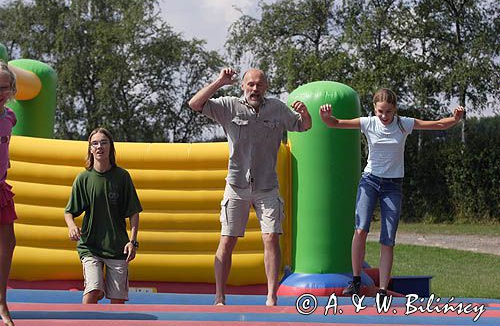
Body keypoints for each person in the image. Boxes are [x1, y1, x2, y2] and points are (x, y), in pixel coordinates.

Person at [319, 88, 464, 302]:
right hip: (370, 181)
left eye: (388, 112)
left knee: (388, 238)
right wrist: (326, 117)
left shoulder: (402, 124)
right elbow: (336, 123)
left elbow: (437, 125)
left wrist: (454, 118)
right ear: (374, 109)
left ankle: (383, 289)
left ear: (394, 109)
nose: (384, 116)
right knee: (360, 229)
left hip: (393, 186)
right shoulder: (369, 123)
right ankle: (356, 280)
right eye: (380, 112)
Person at [188, 68, 312, 306]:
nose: (255, 89)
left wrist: (306, 115)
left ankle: (271, 297)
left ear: (266, 87)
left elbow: (303, 126)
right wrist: (221, 81)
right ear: (243, 86)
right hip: (237, 185)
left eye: (260, 85)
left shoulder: (277, 108)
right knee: (227, 240)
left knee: (271, 237)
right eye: (251, 84)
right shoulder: (229, 106)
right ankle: (219, 297)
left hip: (267, 185)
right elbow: (195, 104)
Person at [64, 127, 142, 304]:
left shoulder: (122, 177)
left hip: (118, 248)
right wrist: (71, 226)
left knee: (117, 301)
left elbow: (134, 212)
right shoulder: (84, 178)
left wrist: (133, 241)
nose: (99, 146)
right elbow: (69, 211)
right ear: (90, 149)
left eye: (104, 142)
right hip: (90, 246)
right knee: (93, 289)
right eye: (95, 143)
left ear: (111, 147)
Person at [0, 61, 17, 326]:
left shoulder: (9, 116)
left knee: (8, 242)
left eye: (4, 87)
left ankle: (1, 301)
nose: (0, 91)